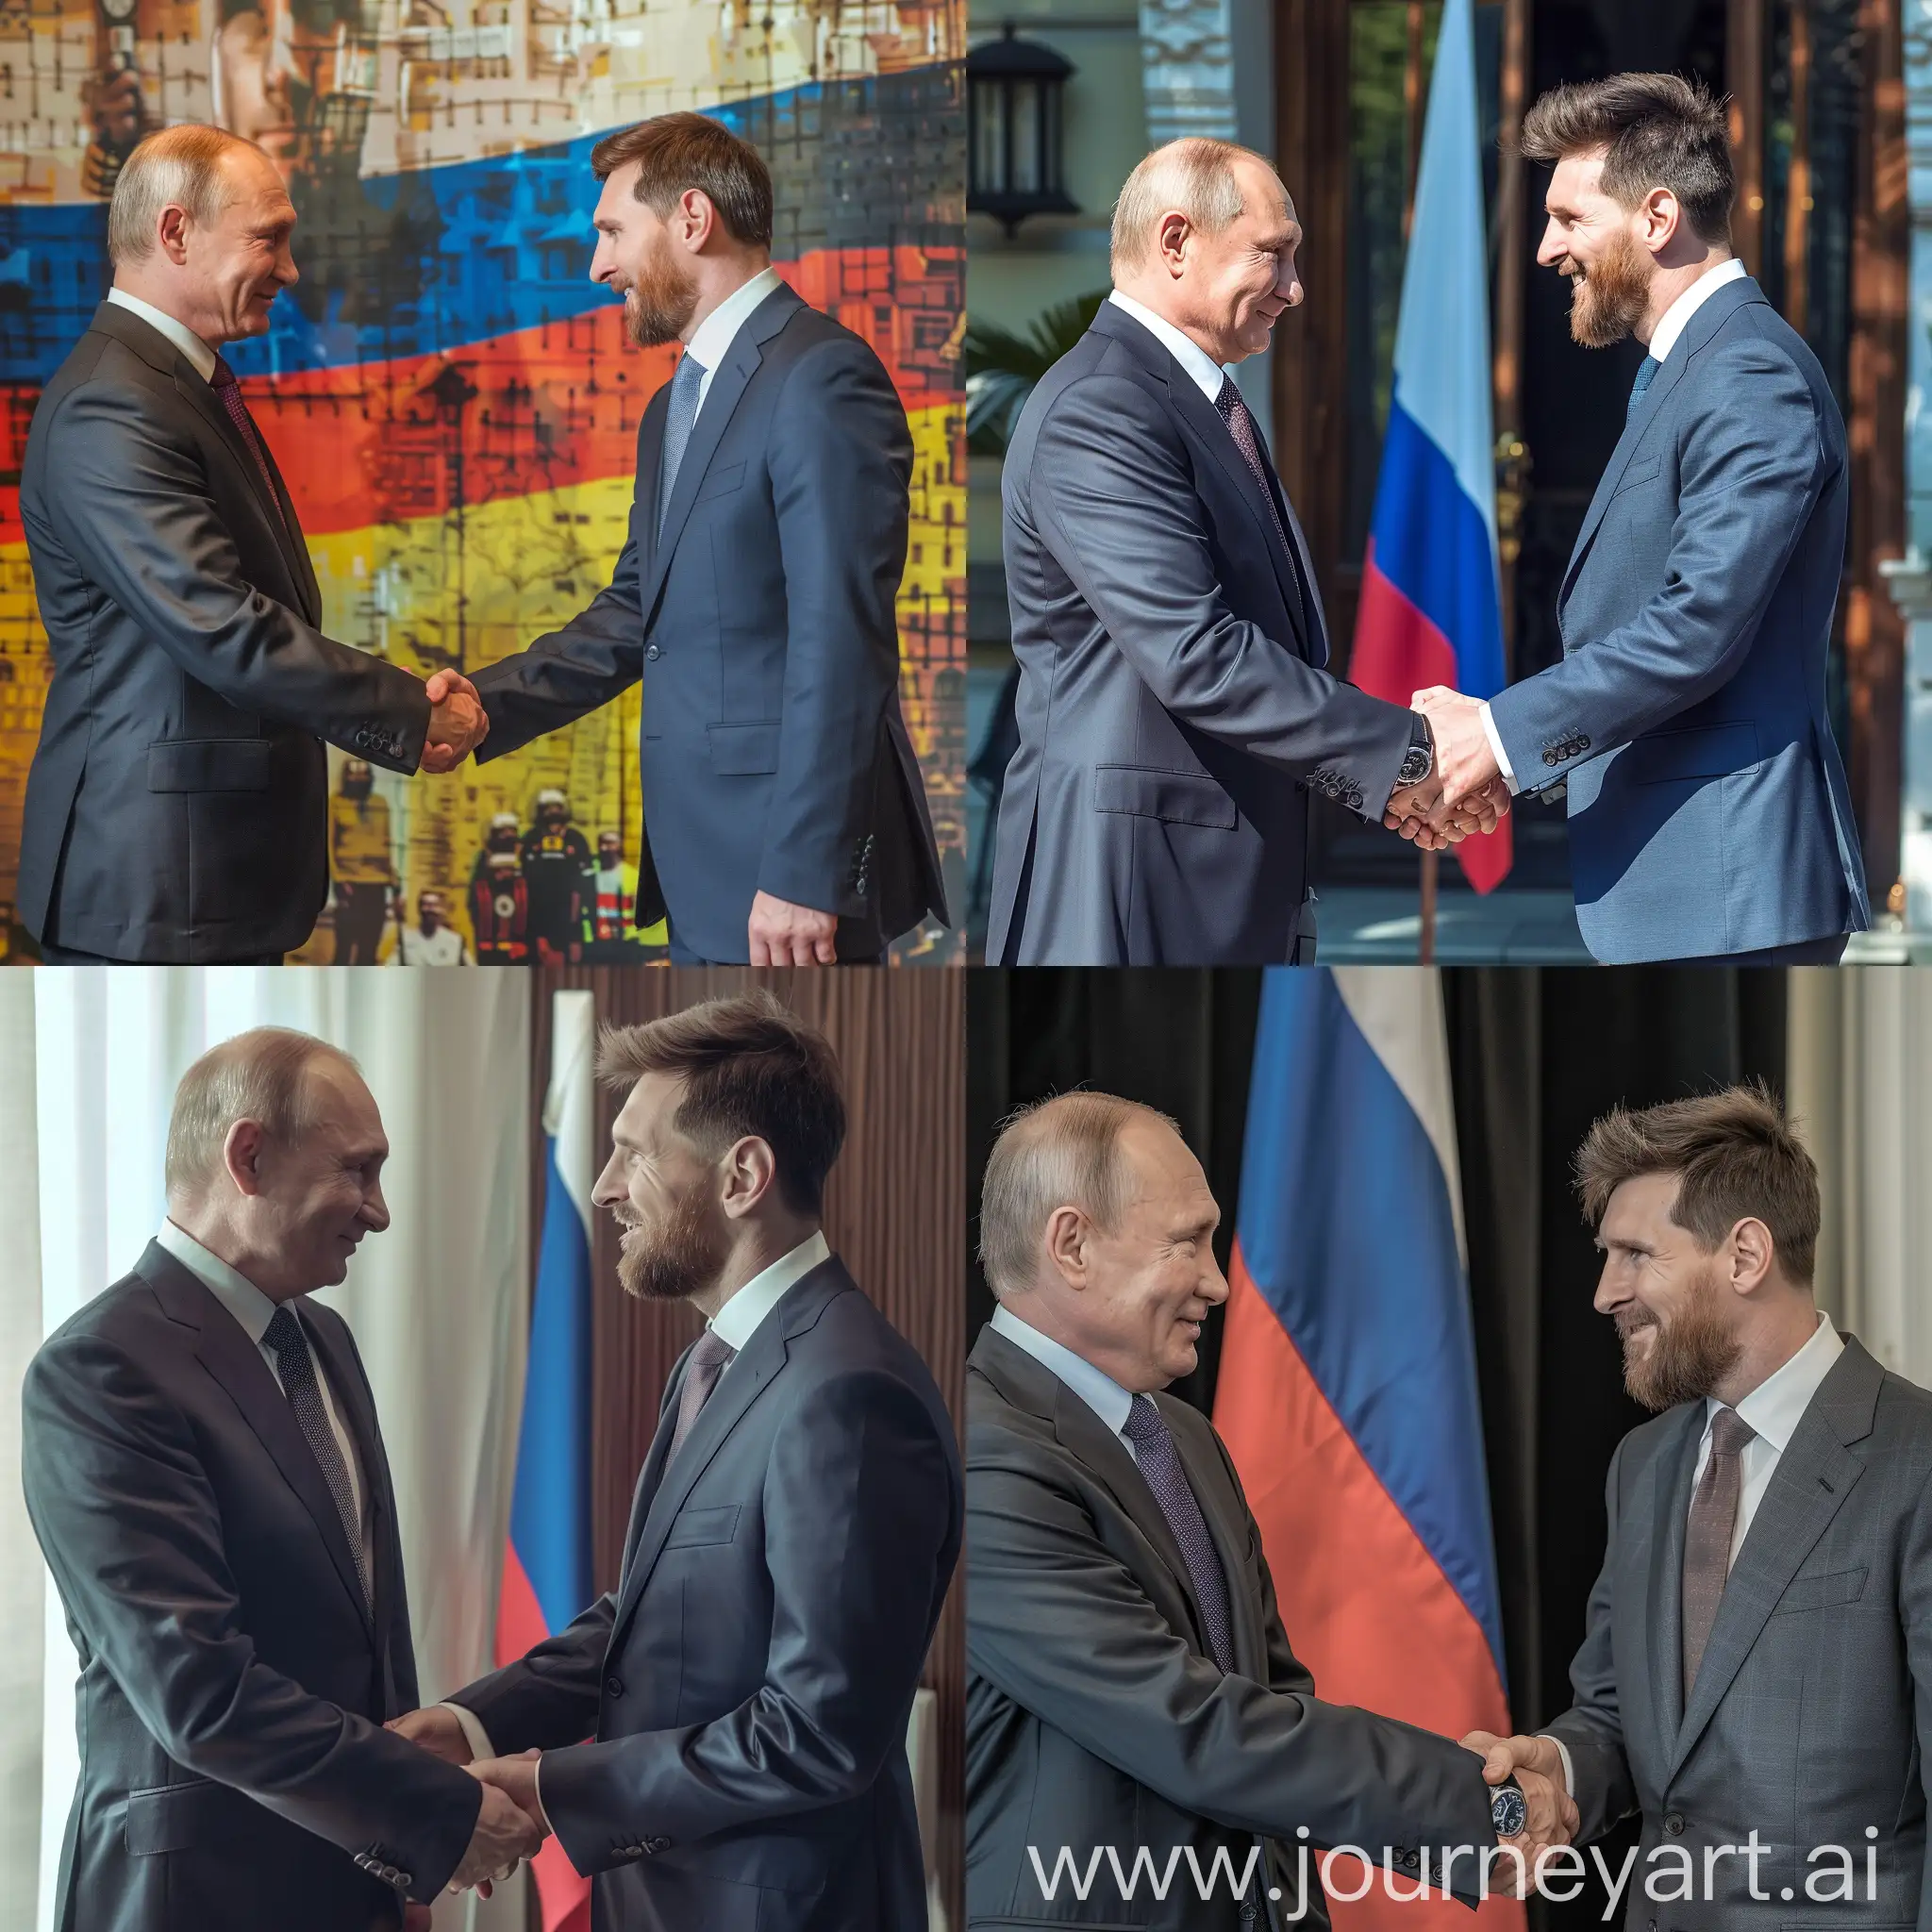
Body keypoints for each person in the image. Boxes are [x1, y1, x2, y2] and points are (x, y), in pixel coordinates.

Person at [389, 991, 963, 1930]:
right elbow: (650, 1617)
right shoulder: (713, 1359)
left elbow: (819, 1732)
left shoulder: (850, 1392)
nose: (607, 1184)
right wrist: (474, 1723)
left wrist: (549, 1786)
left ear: (741, 1174)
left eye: (635, 1150)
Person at [967, 1093, 1574, 1929]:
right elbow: (1188, 1724)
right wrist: (1479, 1808)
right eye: (1188, 1243)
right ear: (1072, 1245)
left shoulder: (1181, 1436)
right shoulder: (978, 1453)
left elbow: (1272, 1692)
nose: (1218, 1282)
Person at [21, 1027, 541, 1932]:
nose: (378, 1212)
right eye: (358, 1171)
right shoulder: (100, 1369)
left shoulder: (322, 1339)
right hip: (195, 1901)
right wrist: (428, 1811)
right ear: (249, 1156)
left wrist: (400, 1864)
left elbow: (370, 1629)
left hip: (354, 1886)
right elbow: (199, 1689)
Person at [425, 112, 948, 965]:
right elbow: (636, 612)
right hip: (702, 874)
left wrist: (805, 873)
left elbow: (841, 639)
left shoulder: (823, 376)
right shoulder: (673, 405)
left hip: (786, 884)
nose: (598, 267)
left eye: (611, 232)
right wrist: (486, 707)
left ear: (693, 220)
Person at [984, 138, 1506, 967]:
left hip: (1213, 881)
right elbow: (1197, 655)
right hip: (1132, 889)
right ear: (1176, 242)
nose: (1295, 290)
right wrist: (1410, 754)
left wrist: (1388, 775)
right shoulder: (1102, 407)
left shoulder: (1191, 398)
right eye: (1275, 255)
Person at [1402, 75, 1867, 964]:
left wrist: (1499, 737)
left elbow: (1697, 627)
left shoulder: (1746, 374)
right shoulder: (1696, 367)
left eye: (1570, 220)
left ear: (1657, 218)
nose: (1545, 250)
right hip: (1691, 881)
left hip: (1730, 885)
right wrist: (1508, 742)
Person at [16, 124, 487, 963]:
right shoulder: (111, 405)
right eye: (269, 238)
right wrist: (411, 713)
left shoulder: (167, 385)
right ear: (175, 233)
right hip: (155, 888)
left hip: (198, 883)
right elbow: (224, 626)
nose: (291, 270)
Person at [1466, 1087, 1932, 1930]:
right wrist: (1561, 1769)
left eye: (1636, 1254)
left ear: (1745, 1256)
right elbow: (1619, 1715)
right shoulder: (1641, 1465)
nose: (1606, 1294)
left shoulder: (1918, 1459)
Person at [328, 757, 392, 964]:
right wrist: (338, 879)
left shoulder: (380, 803)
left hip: (377, 883)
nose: (359, 779)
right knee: (344, 946)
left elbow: (386, 842)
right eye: (354, 776)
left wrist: (394, 880)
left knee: (369, 947)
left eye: (363, 775)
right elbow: (328, 845)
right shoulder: (336, 803)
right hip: (350, 882)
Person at [519, 786, 593, 965]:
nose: (552, 812)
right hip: (537, 919)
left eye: (556, 807)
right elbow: (525, 886)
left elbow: (584, 887)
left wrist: (576, 934)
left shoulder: (576, 839)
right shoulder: (530, 839)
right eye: (547, 807)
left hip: (569, 917)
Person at [469, 813, 529, 964]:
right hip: (490, 927)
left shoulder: (523, 856)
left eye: (512, 831)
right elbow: (476, 893)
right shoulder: (483, 857)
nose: (508, 835)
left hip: (518, 927)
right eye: (504, 831)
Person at [390, 888, 470, 965]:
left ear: (442, 911)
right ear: (419, 909)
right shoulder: (405, 940)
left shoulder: (455, 941)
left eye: (435, 905)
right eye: (426, 904)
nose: (430, 909)